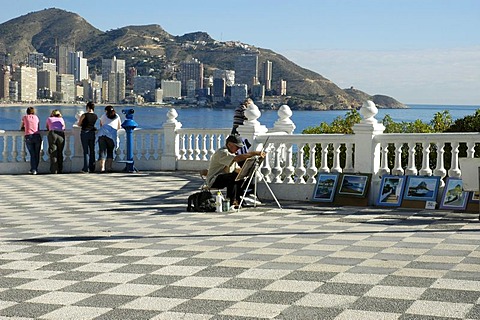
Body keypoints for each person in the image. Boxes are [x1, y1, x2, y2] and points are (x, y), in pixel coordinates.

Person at [205, 135, 265, 208]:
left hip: (224, 177)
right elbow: (236, 159)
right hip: (214, 180)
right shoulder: (222, 152)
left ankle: (239, 198)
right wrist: (254, 153)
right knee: (233, 177)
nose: (238, 149)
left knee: (241, 177)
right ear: (229, 144)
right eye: (237, 147)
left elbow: (237, 169)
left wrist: (247, 172)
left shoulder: (231, 154)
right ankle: (232, 200)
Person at [97, 105, 122, 173]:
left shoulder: (104, 115)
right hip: (112, 136)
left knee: (102, 151)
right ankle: (109, 167)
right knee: (110, 152)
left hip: (102, 134)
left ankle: (102, 168)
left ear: (106, 111)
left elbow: (101, 124)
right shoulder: (117, 116)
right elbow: (119, 127)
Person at [77, 101, 98, 173]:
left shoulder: (84, 115)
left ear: (88, 107)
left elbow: (79, 124)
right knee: (92, 150)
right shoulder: (95, 116)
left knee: (86, 151)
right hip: (92, 133)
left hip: (85, 132)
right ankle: (92, 167)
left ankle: (86, 168)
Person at [21, 106, 42, 175]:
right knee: (37, 154)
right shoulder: (36, 117)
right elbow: (38, 127)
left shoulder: (25, 117)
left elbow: (22, 126)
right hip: (37, 135)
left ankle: (33, 169)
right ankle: (34, 169)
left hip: (29, 136)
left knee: (32, 154)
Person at [45, 109, 65, 174]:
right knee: (60, 152)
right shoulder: (61, 119)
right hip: (60, 135)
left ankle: (54, 170)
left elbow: (47, 127)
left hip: (52, 134)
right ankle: (60, 169)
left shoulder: (49, 119)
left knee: (53, 152)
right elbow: (64, 128)